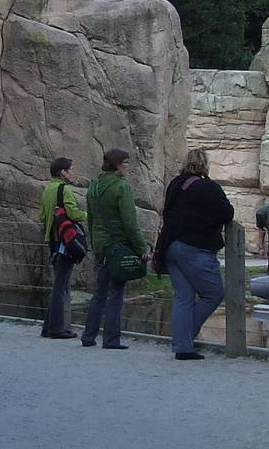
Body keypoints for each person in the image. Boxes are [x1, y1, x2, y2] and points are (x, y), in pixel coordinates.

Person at [159, 148, 234, 361]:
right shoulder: (208, 187)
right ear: (204, 165)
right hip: (195, 248)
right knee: (214, 293)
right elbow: (227, 213)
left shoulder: (175, 184)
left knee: (183, 297)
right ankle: (183, 340)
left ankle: (182, 345)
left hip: (171, 246)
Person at [81, 147, 148, 350]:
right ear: (118, 164)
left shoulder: (93, 186)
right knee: (116, 292)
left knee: (100, 291)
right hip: (118, 244)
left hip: (101, 244)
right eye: (126, 162)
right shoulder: (121, 187)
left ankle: (88, 336)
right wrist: (141, 247)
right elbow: (130, 222)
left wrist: (95, 244)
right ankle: (111, 339)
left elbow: (91, 219)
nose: (128, 166)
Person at [38, 156, 86, 339]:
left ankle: (48, 326)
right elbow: (73, 213)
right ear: (63, 172)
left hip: (52, 239)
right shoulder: (64, 189)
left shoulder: (48, 189)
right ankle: (57, 329)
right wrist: (87, 215)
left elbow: (42, 215)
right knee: (61, 286)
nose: (73, 173)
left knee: (59, 283)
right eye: (70, 169)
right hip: (65, 241)